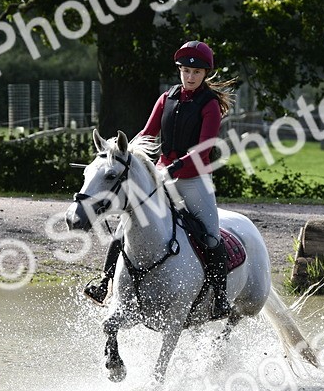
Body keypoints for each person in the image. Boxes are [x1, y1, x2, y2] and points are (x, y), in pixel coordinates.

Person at [84, 40, 234, 319]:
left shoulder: (210, 105)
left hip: (194, 182)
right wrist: (120, 154)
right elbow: (147, 134)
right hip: (161, 178)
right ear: (179, 71)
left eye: (196, 72)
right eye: (185, 71)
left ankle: (220, 298)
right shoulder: (166, 98)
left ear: (205, 74)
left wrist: (174, 168)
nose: (190, 77)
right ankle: (104, 283)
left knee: (212, 238)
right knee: (124, 228)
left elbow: (203, 149)